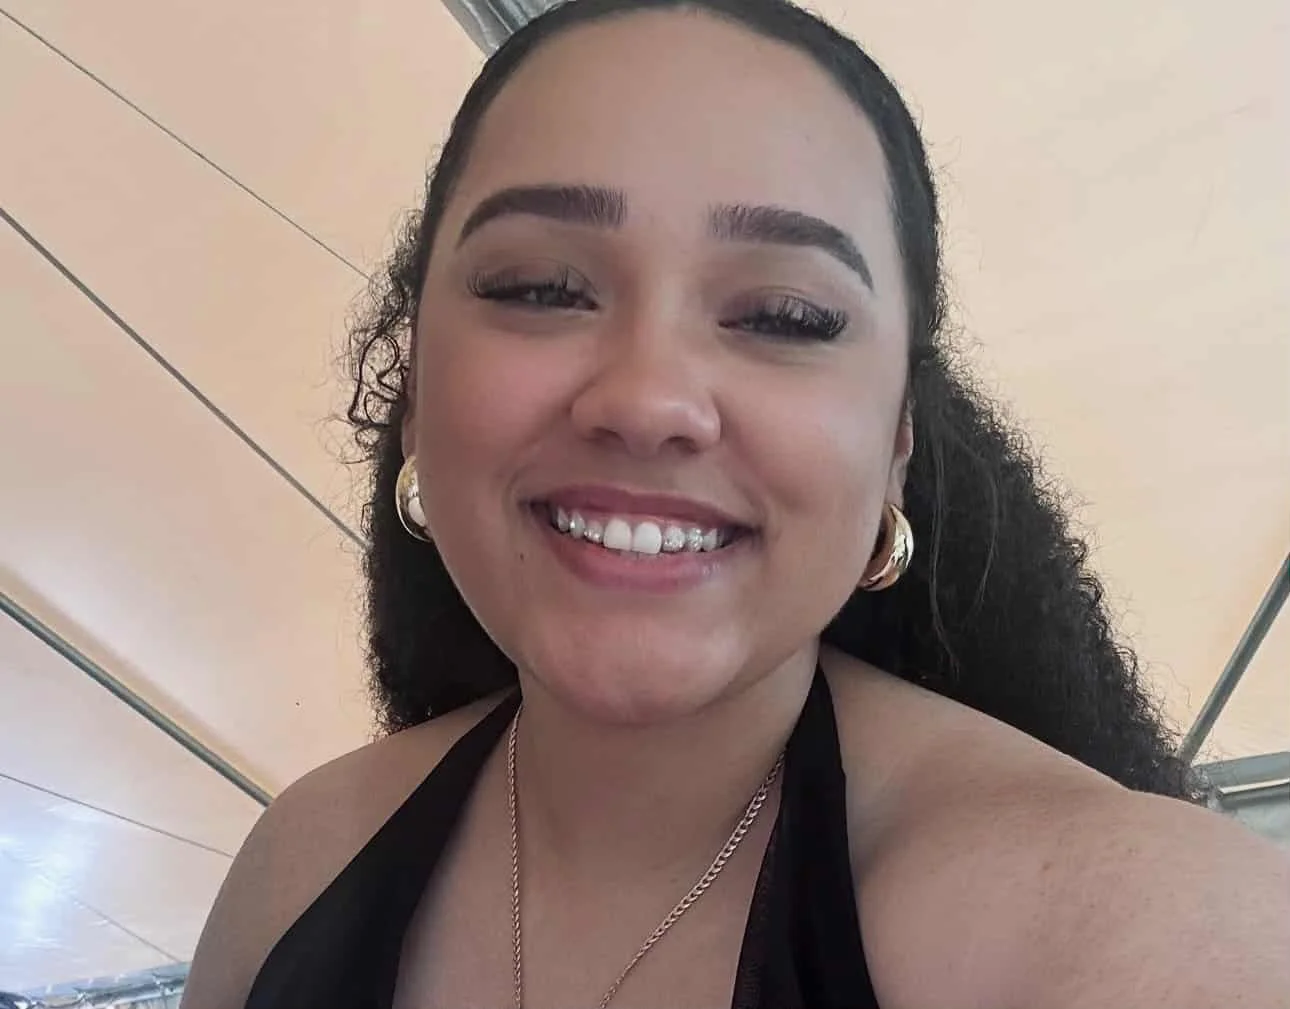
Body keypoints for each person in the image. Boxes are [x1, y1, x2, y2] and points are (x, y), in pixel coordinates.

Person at [182, 1, 1290, 1006]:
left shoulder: (1143, 935)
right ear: (416, 387)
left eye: (787, 317)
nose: (648, 397)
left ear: (897, 446)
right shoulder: (299, 867)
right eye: (540, 289)